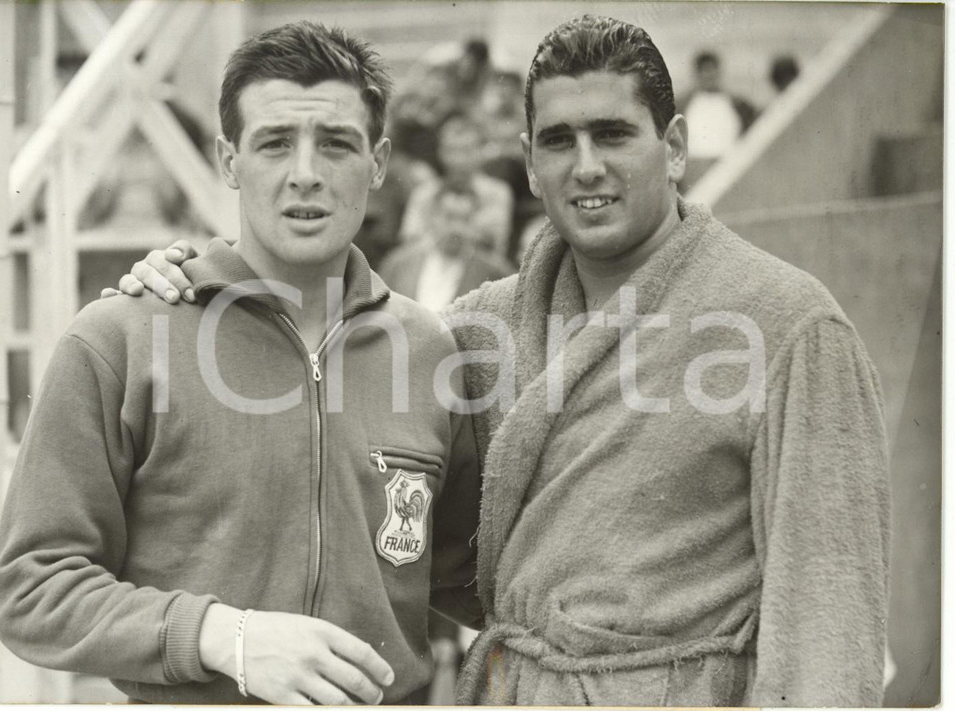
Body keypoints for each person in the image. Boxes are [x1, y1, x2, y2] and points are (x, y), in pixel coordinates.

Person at [112, 14, 891, 707]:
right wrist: (195, 279)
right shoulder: (474, 329)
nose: (585, 165)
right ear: (526, 161)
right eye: (558, 141)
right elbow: (327, 379)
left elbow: (829, 615)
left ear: (676, 146)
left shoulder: (788, 323)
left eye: (613, 134)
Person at [0, 21, 482, 705]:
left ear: (378, 161)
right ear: (228, 160)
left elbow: (469, 571)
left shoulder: (428, 348)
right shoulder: (122, 338)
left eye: (336, 144)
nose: (305, 173)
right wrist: (224, 635)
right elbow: (33, 586)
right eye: (275, 142)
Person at [377, 180, 513, 312]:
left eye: (465, 220)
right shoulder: (399, 263)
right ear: (433, 217)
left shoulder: (493, 271)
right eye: (449, 217)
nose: (457, 228)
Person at [399, 112, 514, 258]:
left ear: (481, 151)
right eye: (452, 151)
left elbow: (493, 243)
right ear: (440, 152)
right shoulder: (424, 193)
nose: (459, 160)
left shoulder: (497, 192)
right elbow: (409, 240)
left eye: (467, 150)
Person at [677, 50, 757, 162]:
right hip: (693, 168)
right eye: (704, 70)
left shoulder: (738, 104)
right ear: (697, 73)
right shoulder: (681, 105)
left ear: (718, 71)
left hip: (728, 166)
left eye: (712, 70)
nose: (709, 75)